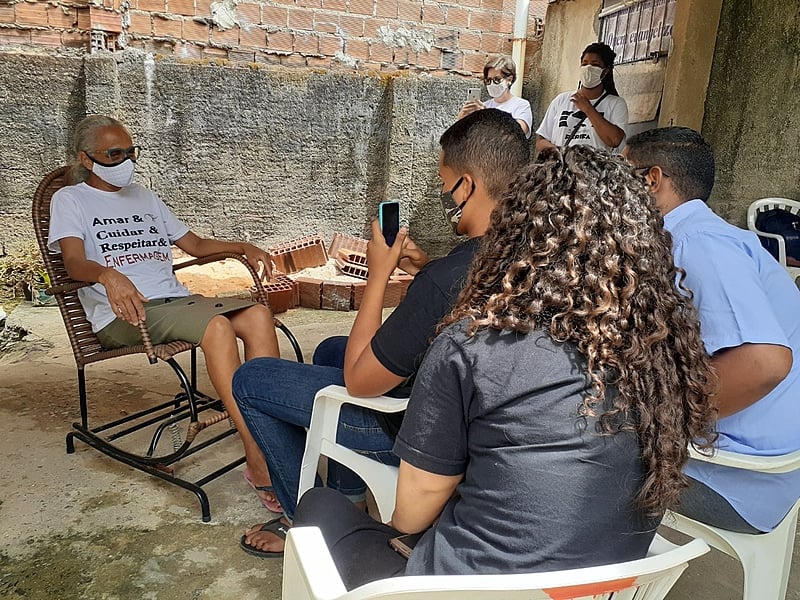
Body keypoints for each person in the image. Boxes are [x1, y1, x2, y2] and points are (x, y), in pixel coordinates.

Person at [292, 144, 717, 590]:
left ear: (517, 233)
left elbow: (412, 513)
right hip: (600, 587)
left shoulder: (472, 346)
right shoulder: (661, 354)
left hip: (464, 591)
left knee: (320, 506)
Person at [233, 108, 531, 558]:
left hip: (415, 430)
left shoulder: (445, 280)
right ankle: (349, 493)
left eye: (445, 183)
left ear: (467, 185)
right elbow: (458, 292)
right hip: (475, 411)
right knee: (330, 349)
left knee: (251, 380)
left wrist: (378, 276)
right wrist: (425, 267)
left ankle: (300, 521)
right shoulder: (531, 247)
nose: (444, 195)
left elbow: (360, 381)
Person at [47, 114, 281, 506]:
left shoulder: (144, 196)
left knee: (257, 315)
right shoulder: (70, 200)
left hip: (175, 302)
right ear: (86, 159)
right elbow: (72, 263)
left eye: (130, 152)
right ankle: (258, 456)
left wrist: (243, 246)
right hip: (126, 313)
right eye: (114, 154)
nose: (126, 161)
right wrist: (107, 274)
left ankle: (270, 431)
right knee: (218, 327)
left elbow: (196, 246)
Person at [625, 126, 800, 533]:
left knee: (561, 447)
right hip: (764, 467)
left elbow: (764, 363)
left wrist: (663, 423)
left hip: (740, 478)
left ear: (651, 180)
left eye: (621, 176)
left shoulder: (698, 243)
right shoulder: (701, 236)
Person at [536, 42, 628, 153]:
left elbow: (614, 140)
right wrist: (559, 152)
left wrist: (588, 109)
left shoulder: (616, 104)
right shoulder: (561, 100)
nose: (588, 68)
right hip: (562, 163)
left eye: (595, 64)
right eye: (584, 64)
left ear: (606, 71)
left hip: (595, 164)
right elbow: (541, 140)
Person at [457, 55, 533, 138]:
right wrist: (461, 120)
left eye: (497, 79)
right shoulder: (483, 106)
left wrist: (487, 116)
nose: (492, 84)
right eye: (488, 80)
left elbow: (518, 133)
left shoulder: (521, 105)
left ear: (509, 79)